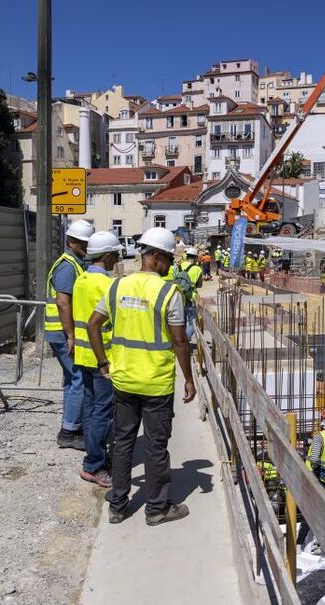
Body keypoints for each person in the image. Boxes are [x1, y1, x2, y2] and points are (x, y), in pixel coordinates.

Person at [87, 226, 197, 526]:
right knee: (155, 445)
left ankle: (118, 505)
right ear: (156, 258)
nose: (172, 266)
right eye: (170, 260)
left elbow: (93, 324)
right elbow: (179, 342)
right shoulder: (167, 292)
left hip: (123, 380)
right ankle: (157, 509)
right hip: (156, 384)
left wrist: (103, 362)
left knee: (122, 442)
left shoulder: (116, 287)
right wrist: (188, 379)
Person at [72, 231, 123, 488]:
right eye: (115, 254)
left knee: (91, 409)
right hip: (102, 357)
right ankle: (94, 465)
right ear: (107, 255)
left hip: (83, 354)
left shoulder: (81, 280)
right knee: (101, 412)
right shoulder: (107, 285)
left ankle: (93, 458)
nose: (116, 259)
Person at [46, 219, 95, 450]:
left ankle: (70, 425)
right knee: (78, 379)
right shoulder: (67, 266)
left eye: (87, 241)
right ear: (70, 242)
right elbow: (63, 303)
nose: (85, 245)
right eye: (82, 242)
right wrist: (71, 335)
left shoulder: (75, 263)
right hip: (61, 332)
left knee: (70, 380)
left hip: (61, 332)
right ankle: (69, 431)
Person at [297, 405, 325, 547]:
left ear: (323, 418)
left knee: (309, 511)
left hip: (319, 479)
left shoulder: (319, 437)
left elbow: (315, 458)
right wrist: (309, 443)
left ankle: (299, 542)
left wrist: (307, 458)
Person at [179, 247, 204, 340]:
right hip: (190, 298)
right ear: (195, 258)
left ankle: (182, 339)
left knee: (182, 320)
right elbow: (200, 285)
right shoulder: (197, 269)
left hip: (178, 296)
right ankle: (185, 339)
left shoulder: (179, 266)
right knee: (194, 320)